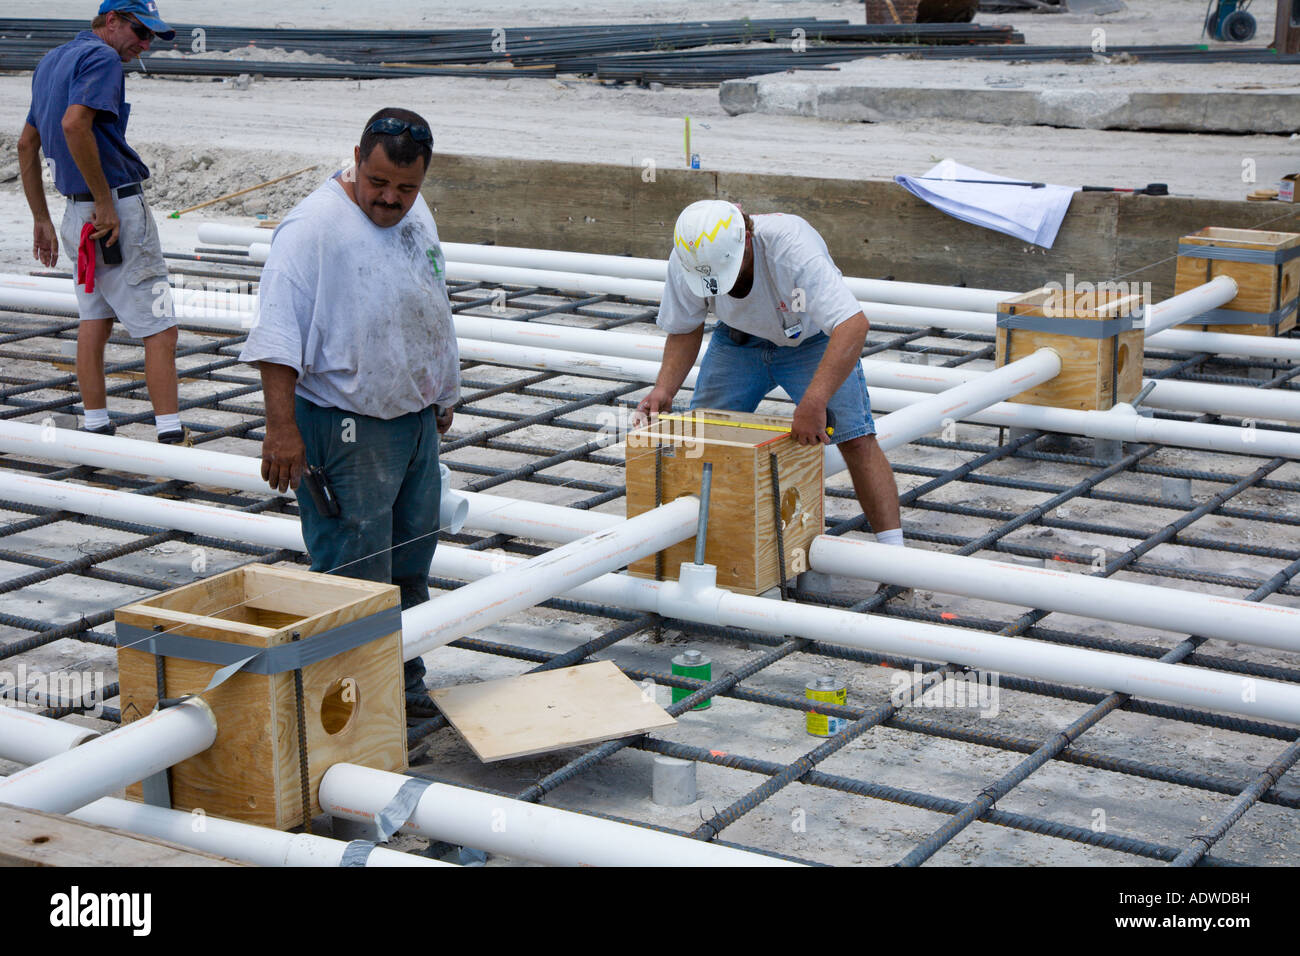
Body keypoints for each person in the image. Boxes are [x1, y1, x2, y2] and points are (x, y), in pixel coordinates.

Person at [240, 108, 458, 718]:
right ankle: (349, 706)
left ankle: (401, 682)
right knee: (354, 569)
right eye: (379, 182)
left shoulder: (415, 211)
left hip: (411, 422)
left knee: (412, 561)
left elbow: (430, 296)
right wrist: (281, 430)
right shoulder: (313, 228)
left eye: (406, 188)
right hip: (345, 423)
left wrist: (441, 390)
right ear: (357, 157)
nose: (390, 199)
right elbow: (277, 336)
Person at [635, 200, 904, 548]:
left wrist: (814, 401)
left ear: (746, 240)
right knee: (707, 439)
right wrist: (663, 388)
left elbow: (852, 325)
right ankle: (701, 544)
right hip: (737, 342)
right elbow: (686, 326)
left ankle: (894, 554)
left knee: (855, 438)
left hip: (810, 342)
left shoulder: (791, 247)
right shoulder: (689, 255)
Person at [17, 1, 186, 443]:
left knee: (96, 319)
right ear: (110, 21)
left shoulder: (52, 60)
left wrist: (42, 218)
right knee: (161, 328)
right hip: (113, 211)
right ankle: (171, 436)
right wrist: (105, 203)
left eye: (151, 37)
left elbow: (26, 144)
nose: (144, 43)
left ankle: (95, 426)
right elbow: (76, 125)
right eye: (139, 30)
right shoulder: (103, 58)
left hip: (75, 215)